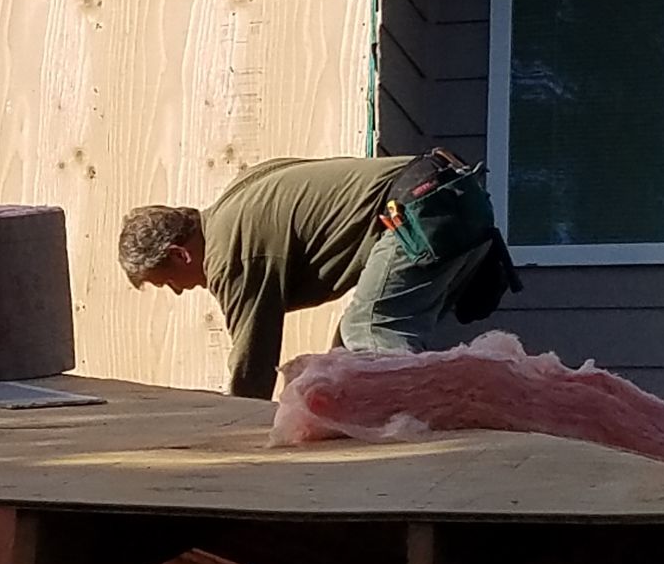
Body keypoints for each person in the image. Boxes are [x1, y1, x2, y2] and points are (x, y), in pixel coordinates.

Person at [117, 153, 516, 400]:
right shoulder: (234, 202)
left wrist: (236, 438)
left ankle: (411, 458)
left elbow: (252, 367)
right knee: (346, 360)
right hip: (454, 202)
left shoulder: (228, 252)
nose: (177, 291)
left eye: (165, 280)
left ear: (178, 254)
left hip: (419, 214)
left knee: (369, 334)